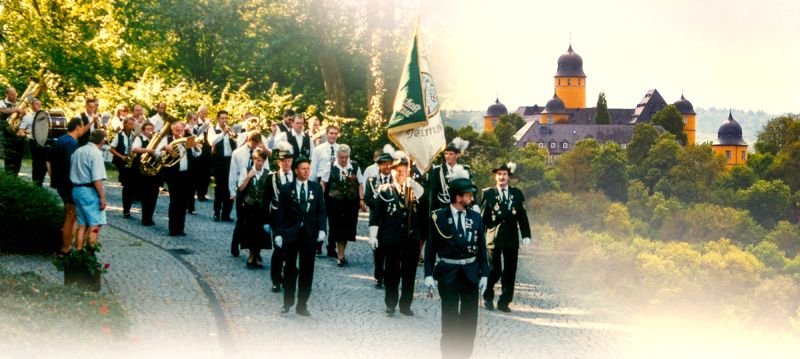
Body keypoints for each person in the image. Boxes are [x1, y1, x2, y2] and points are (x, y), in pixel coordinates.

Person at [424, 167, 489, 359]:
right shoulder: (438, 217)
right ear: (458, 197)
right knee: (451, 324)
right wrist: (428, 275)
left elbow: (482, 249)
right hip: (448, 274)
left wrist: (485, 274)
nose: (472, 198)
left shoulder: (475, 217)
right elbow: (430, 249)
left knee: (469, 325)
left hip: (470, 274)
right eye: (468, 195)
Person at [367, 148, 424, 316]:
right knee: (391, 273)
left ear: (409, 172)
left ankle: (405, 305)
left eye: (404, 171)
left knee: (409, 274)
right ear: (392, 171)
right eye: (397, 170)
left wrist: (415, 186)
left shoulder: (414, 189)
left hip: (410, 239)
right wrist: (373, 235)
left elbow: (424, 203)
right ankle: (390, 304)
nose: (401, 173)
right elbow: (376, 214)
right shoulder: (385, 190)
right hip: (391, 239)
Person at [274, 156, 327, 316]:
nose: (306, 171)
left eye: (308, 169)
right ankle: (287, 302)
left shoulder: (316, 188)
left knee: (307, 270)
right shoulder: (285, 189)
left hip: (309, 235)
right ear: (296, 170)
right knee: (290, 269)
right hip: (291, 234)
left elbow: (321, 211)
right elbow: (280, 214)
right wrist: (278, 233)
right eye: (303, 168)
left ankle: (302, 304)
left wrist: (322, 229)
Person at [480, 162, 531, 313]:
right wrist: (478, 238)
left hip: (511, 238)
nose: (502, 177)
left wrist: (526, 234)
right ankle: (487, 296)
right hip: (493, 237)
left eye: (504, 174)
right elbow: (482, 218)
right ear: (495, 176)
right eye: (499, 174)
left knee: (510, 271)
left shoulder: (517, 193)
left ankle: (504, 302)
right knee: (494, 270)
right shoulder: (488, 193)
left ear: (509, 177)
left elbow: (522, 216)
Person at [47, 117, 89, 254]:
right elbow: (73, 165)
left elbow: (48, 161)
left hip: (60, 184)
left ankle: (68, 245)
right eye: (83, 126)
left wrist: (53, 178)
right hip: (70, 185)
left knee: (71, 215)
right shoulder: (71, 144)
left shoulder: (59, 140)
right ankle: (65, 248)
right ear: (78, 127)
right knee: (71, 216)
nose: (83, 129)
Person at [321, 144, 365, 266]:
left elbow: (360, 183)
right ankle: (340, 256)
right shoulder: (330, 166)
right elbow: (323, 183)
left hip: (351, 202)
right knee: (338, 228)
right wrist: (321, 199)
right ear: (337, 156)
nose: (344, 160)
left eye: (346, 157)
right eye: (341, 157)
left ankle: (341, 253)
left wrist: (361, 199)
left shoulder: (355, 166)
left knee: (348, 229)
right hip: (335, 202)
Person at [157, 121, 201, 236]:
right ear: (172, 130)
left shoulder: (187, 140)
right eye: (177, 130)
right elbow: (156, 153)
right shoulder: (167, 140)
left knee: (184, 202)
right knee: (175, 201)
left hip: (187, 175)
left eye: (181, 130)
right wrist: (165, 148)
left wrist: (195, 145)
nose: (179, 133)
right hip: (173, 175)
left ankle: (180, 228)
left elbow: (197, 154)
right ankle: (173, 228)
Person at [70, 129, 108, 250]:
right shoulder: (96, 153)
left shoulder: (78, 151)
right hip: (90, 191)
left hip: (76, 190)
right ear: (102, 140)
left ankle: (78, 253)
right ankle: (90, 255)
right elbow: (96, 179)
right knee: (95, 225)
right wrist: (102, 197)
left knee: (82, 225)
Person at [228, 131, 265, 256]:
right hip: (242, 188)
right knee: (241, 219)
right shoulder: (238, 153)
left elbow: (266, 168)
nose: (255, 146)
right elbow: (233, 172)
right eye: (253, 143)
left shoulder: (260, 153)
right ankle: (235, 243)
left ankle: (252, 249)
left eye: (257, 143)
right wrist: (232, 191)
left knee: (254, 221)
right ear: (248, 140)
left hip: (256, 190)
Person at [363, 146, 394, 288]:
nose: (387, 166)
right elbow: (368, 198)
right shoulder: (371, 180)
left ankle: (389, 277)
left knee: (391, 250)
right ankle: (378, 277)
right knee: (378, 250)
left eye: (389, 163)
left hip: (392, 220)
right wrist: (380, 203)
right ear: (380, 165)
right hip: (377, 219)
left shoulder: (396, 181)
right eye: (384, 163)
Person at [265, 135, 293, 292]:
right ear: (278, 162)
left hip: (293, 220)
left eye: (289, 161)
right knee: (278, 248)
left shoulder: (296, 177)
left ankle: (288, 278)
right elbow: (266, 201)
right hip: (277, 219)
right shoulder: (272, 178)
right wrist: (266, 221)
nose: (287, 163)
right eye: (284, 161)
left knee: (291, 250)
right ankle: (276, 280)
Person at [235, 148, 271, 268]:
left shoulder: (268, 173)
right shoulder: (246, 170)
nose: (258, 163)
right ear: (253, 160)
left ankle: (258, 254)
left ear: (264, 161)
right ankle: (251, 254)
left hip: (261, 207)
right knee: (249, 231)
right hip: (249, 206)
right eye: (256, 160)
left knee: (260, 232)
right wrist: (248, 177)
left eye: (261, 161)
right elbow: (240, 188)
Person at [428, 137, 473, 213]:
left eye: (450, 154)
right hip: (443, 210)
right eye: (446, 154)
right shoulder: (438, 171)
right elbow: (433, 195)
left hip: (461, 209)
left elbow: (470, 190)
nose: (447, 156)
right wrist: (433, 213)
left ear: (457, 155)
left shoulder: (465, 169)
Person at [208, 110, 236, 222]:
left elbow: (236, 143)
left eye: (226, 118)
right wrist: (223, 133)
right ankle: (216, 213)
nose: (225, 120)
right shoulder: (213, 129)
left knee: (230, 187)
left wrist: (233, 135)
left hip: (230, 161)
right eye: (222, 118)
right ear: (218, 119)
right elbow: (212, 142)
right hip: (218, 162)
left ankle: (226, 214)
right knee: (220, 188)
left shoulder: (230, 130)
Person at [131, 121, 160, 226]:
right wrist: (147, 150)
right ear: (143, 130)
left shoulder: (156, 140)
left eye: (151, 129)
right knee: (146, 195)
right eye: (147, 129)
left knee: (154, 195)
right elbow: (134, 149)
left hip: (154, 169)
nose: (150, 131)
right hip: (143, 170)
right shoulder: (139, 138)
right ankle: (145, 218)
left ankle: (150, 217)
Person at [109, 117, 136, 218]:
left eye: (133, 124)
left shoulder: (134, 136)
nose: (132, 126)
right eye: (130, 124)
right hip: (122, 161)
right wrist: (121, 156)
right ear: (125, 125)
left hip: (132, 161)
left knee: (131, 185)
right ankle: (126, 209)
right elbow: (111, 149)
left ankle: (129, 204)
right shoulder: (119, 135)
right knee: (127, 185)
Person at [18, 98, 47, 186]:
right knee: (37, 162)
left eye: (40, 104)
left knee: (44, 162)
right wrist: (22, 133)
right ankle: (35, 183)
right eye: (37, 104)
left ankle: (40, 182)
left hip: (44, 142)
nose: (39, 106)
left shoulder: (45, 117)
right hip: (34, 142)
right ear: (32, 106)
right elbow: (21, 129)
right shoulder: (28, 117)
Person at [1, 86, 27, 175]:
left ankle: (15, 177)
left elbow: (25, 118)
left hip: (19, 134)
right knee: (9, 158)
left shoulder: (19, 103)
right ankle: (9, 178)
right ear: (6, 94)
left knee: (18, 158)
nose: (14, 96)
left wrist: (24, 113)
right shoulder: (2, 102)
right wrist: (16, 109)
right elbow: (2, 111)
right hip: (7, 135)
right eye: (12, 94)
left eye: (15, 94)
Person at [194, 105, 212, 202]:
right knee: (198, 171)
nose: (205, 114)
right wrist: (206, 125)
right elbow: (196, 132)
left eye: (206, 113)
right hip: (198, 148)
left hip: (207, 148)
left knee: (206, 172)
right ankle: (198, 192)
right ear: (199, 113)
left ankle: (203, 193)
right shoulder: (196, 122)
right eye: (203, 112)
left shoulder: (209, 124)